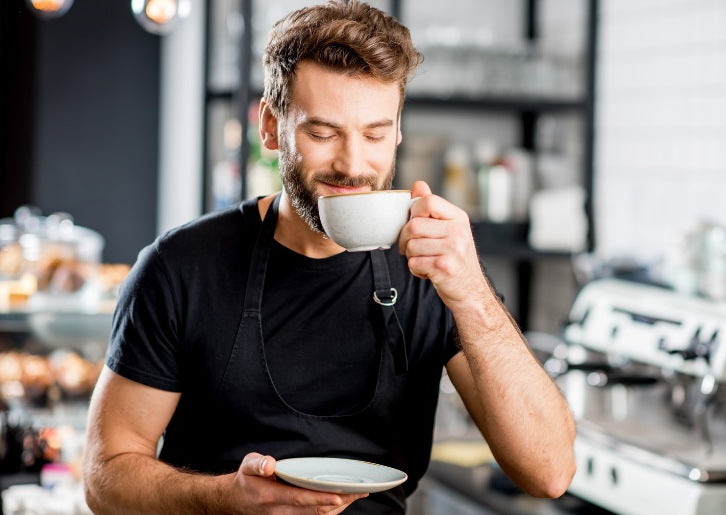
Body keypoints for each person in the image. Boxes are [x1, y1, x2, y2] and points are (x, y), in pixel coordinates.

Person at [82, 1, 576, 513]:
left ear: (399, 133)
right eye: (322, 133)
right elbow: (105, 478)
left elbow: (550, 471)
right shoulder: (181, 266)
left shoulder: (437, 271)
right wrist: (227, 498)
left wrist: (471, 293)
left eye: (375, 134)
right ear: (271, 128)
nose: (352, 164)